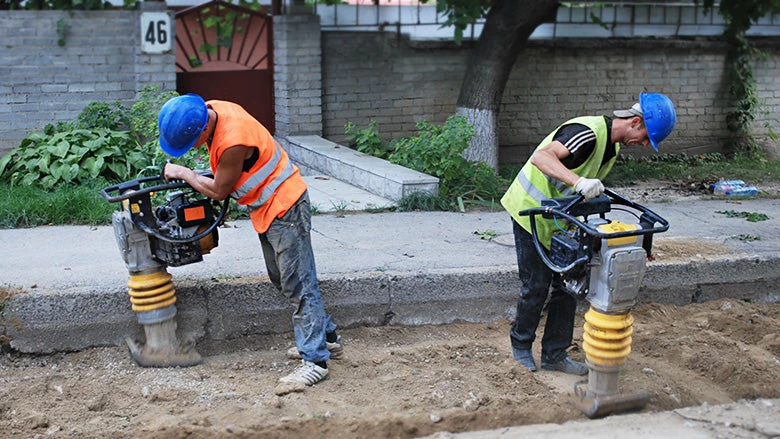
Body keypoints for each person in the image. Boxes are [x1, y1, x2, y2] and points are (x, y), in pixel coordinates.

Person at [157, 94, 342, 386]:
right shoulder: (212, 108)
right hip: (269, 208)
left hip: (285, 206)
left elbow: (219, 190)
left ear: (203, 129)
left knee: (299, 284)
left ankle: (315, 360)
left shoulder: (232, 140)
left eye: (191, 141)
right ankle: (327, 337)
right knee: (281, 277)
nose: (192, 147)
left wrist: (185, 173)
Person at [500, 92, 677, 375]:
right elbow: (541, 157)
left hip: (561, 218)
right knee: (536, 285)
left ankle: (555, 355)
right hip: (530, 212)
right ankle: (521, 346)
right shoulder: (587, 133)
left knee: (569, 287)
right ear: (634, 122)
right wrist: (578, 181)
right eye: (646, 137)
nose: (644, 145)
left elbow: (587, 190)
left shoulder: (613, 147)